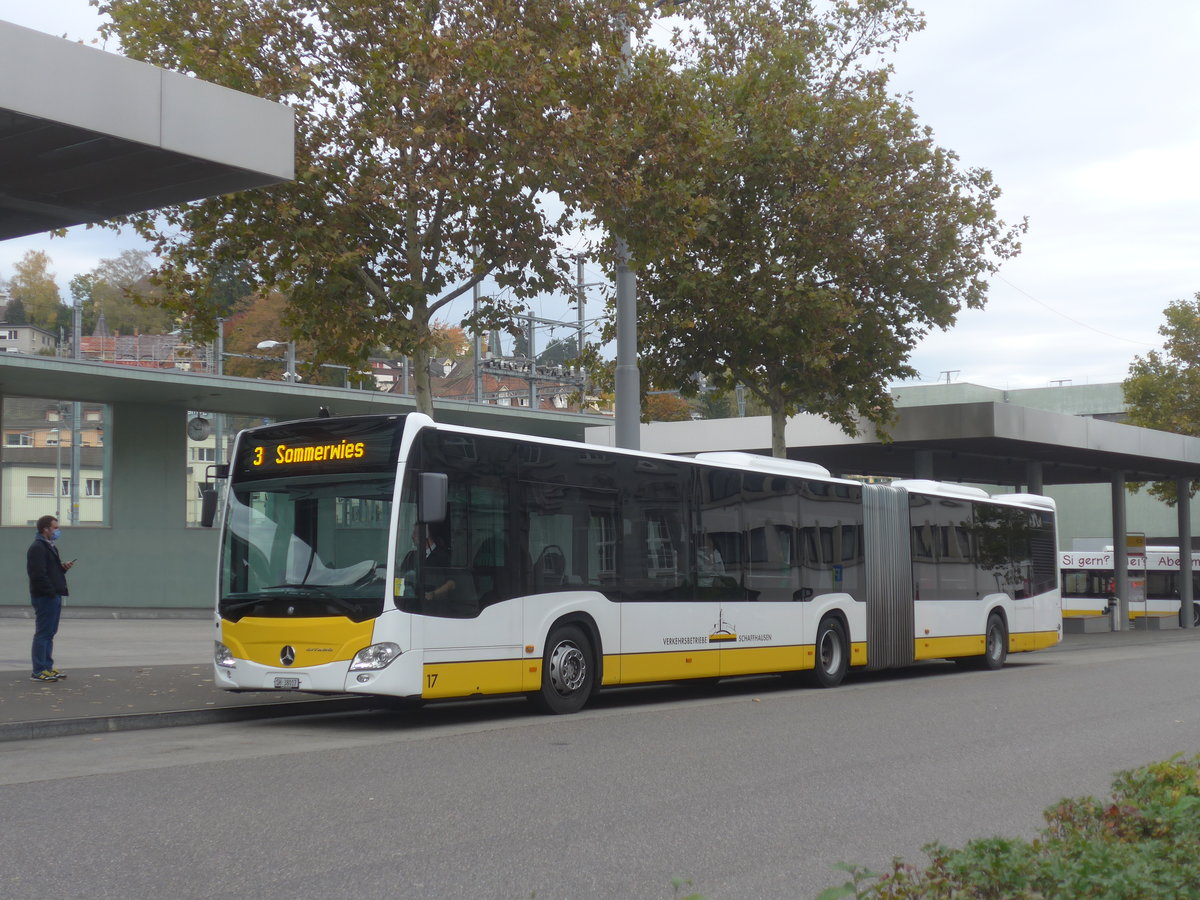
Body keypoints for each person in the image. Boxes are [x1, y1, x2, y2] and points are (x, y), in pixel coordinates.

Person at [27, 514, 74, 683]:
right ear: (45, 529)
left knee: (49, 633)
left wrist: (63, 568)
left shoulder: (50, 546)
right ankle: (38, 671)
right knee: (43, 633)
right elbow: (37, 575)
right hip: (45, 596)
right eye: (55, 528)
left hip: (53, 594)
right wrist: (50, 592)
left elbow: (51, 572)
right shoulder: (38, 548)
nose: (57, 530)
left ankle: (47, 667)